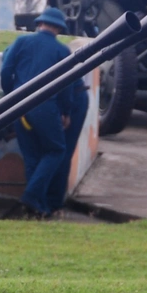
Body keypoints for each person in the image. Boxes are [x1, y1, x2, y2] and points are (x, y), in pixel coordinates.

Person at [1, 7, 75, 217]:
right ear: (59, 28)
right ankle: (32, 196)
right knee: (56, 150)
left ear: (39, 24)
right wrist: (66, 112)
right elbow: (67, 87)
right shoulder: (62, 51)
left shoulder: (21, 42)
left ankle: (38, 208)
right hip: (45, 107)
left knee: (32, 156)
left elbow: (6, 71)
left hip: (19, 106)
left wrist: (11, 95)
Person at [47, 78, 89, 213]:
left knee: (61, 151)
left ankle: (54, 201)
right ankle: (50, 199)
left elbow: (67, 80)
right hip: (55, 99)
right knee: (58, 151)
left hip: (70, 97)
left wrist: (66, 111)